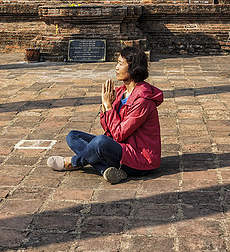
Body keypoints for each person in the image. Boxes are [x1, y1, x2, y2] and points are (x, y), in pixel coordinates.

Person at [47, 46, 163, 184]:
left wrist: (109, 107)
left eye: (120, 64)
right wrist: (105, 106)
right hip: (120, 147)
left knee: (100, 142)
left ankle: (73, 162)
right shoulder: (121, 92)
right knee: (73, 136)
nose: (116, 68)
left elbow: (119, 134)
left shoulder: (143, 100)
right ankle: (105, 169)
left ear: (133, 67)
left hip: (139, 160)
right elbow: (108, 128)